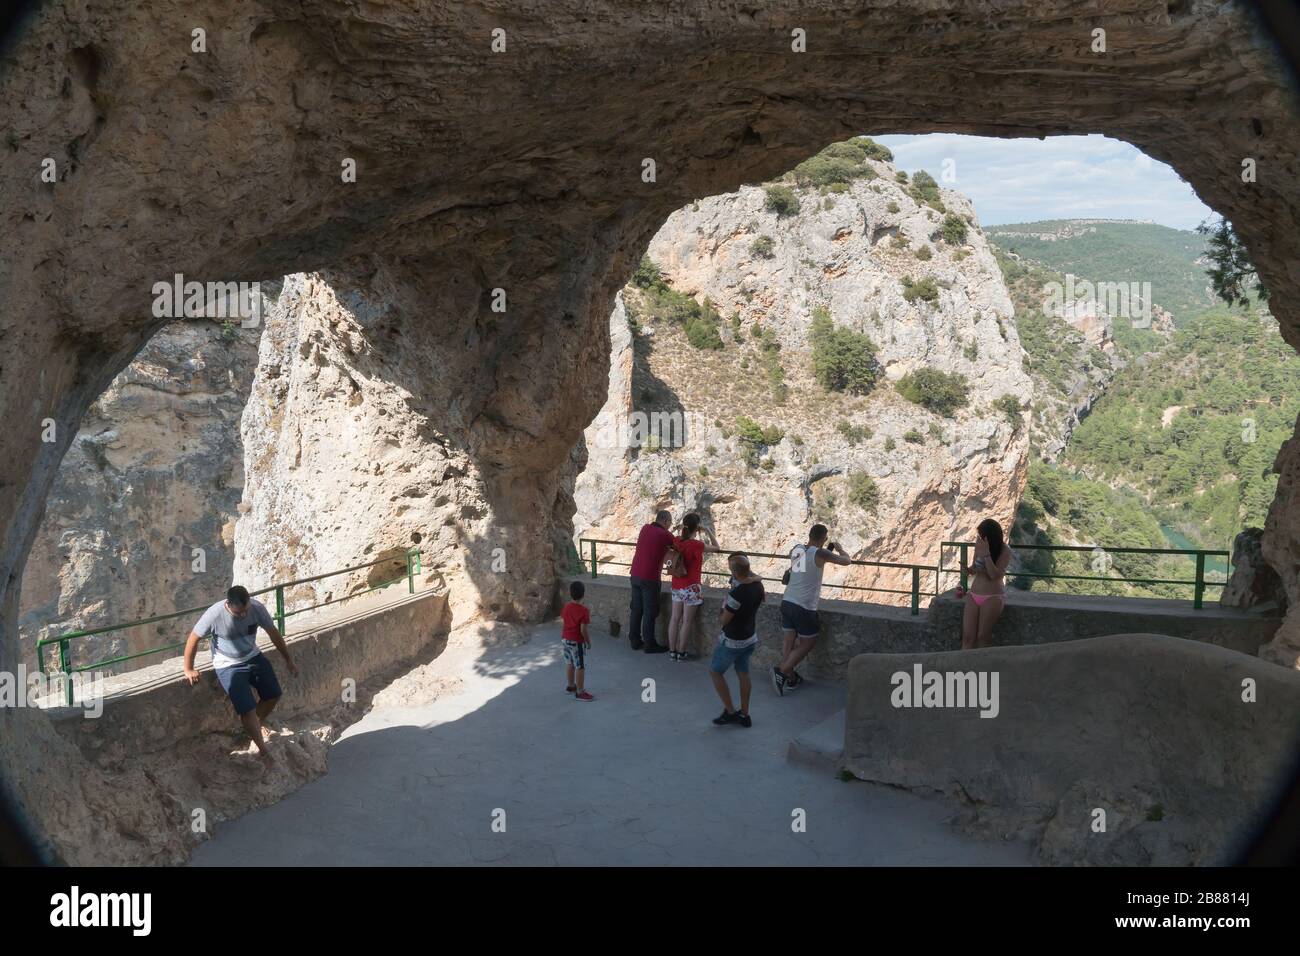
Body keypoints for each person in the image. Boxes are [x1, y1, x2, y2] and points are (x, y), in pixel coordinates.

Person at [183, 585, 298, 758]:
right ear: (228, 604)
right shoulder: (214, 614)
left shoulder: (257, 608)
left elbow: (273, 633)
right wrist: (188, 668)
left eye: (246, 610)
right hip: (227, 663)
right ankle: (263, 750)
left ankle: (256, 726)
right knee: (247, 709)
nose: (243, 615)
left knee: (273, 693)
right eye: (239, 613)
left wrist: (288, 660)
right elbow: (194, 638)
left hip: (252, 655)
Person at [772, 523, 851, 696]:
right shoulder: (821, 552)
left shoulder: (797, 549)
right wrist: (840, 549)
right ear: (824, 539)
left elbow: (801, 568)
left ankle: (791, 678)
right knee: (809, 642)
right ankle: (782, 671)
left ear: (809, 535)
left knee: (789, 641)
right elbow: (846, 561)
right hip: (803, 606)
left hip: (787, 601)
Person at [709, 552, 765, 728]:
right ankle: (745, 714)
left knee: (715, 672)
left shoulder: (736, 594)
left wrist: (722, 609)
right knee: (743, 673)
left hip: (732, 641)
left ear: (734, 572)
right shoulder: (758, 586)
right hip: (750, 638)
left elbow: (724, 620)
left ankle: (731, 712)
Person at [666, 513, 723, 662]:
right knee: (686, 621)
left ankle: (672, 651)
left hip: (676, 585)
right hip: (691, 587)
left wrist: (675, 529)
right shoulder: (697, 545)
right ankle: (681, 652)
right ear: (696, 528)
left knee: (674, 619)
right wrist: (708, 531)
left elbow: (667, 541)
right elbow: (717, 547)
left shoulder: (677, 541)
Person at [627, 509, 677, 654]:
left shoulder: (645, 528)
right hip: (650, 577)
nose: (669, 525)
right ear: (666, 521)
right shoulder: (665, 534)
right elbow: (679, 546)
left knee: (636, 609)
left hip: (635, 574)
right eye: (670, 522)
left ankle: (634, 640)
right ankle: (649, 644)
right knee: (650, 611)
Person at [962, 518, 1012, 650]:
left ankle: (983, 669)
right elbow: (975, 568)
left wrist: (986, 554)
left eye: (982, 535)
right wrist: (968, 570)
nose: (980, 538)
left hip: (992, 596)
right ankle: (962, 668)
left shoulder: (1005, 550)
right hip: (974, 594)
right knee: (968, 637)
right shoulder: (979, 546)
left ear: (991, 536)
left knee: (982, 637)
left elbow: (994, 575)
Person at [561, 580, 594, 701]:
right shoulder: (584, 611)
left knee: (569, 663)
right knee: (580, 666)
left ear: (570, 593)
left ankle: (571, 686)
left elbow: (565, 620)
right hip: (576, 642)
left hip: (565, 639)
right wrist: (588, 642)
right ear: (583, 594)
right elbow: (583, 630)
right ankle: (580, 692)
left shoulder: (566, 607)